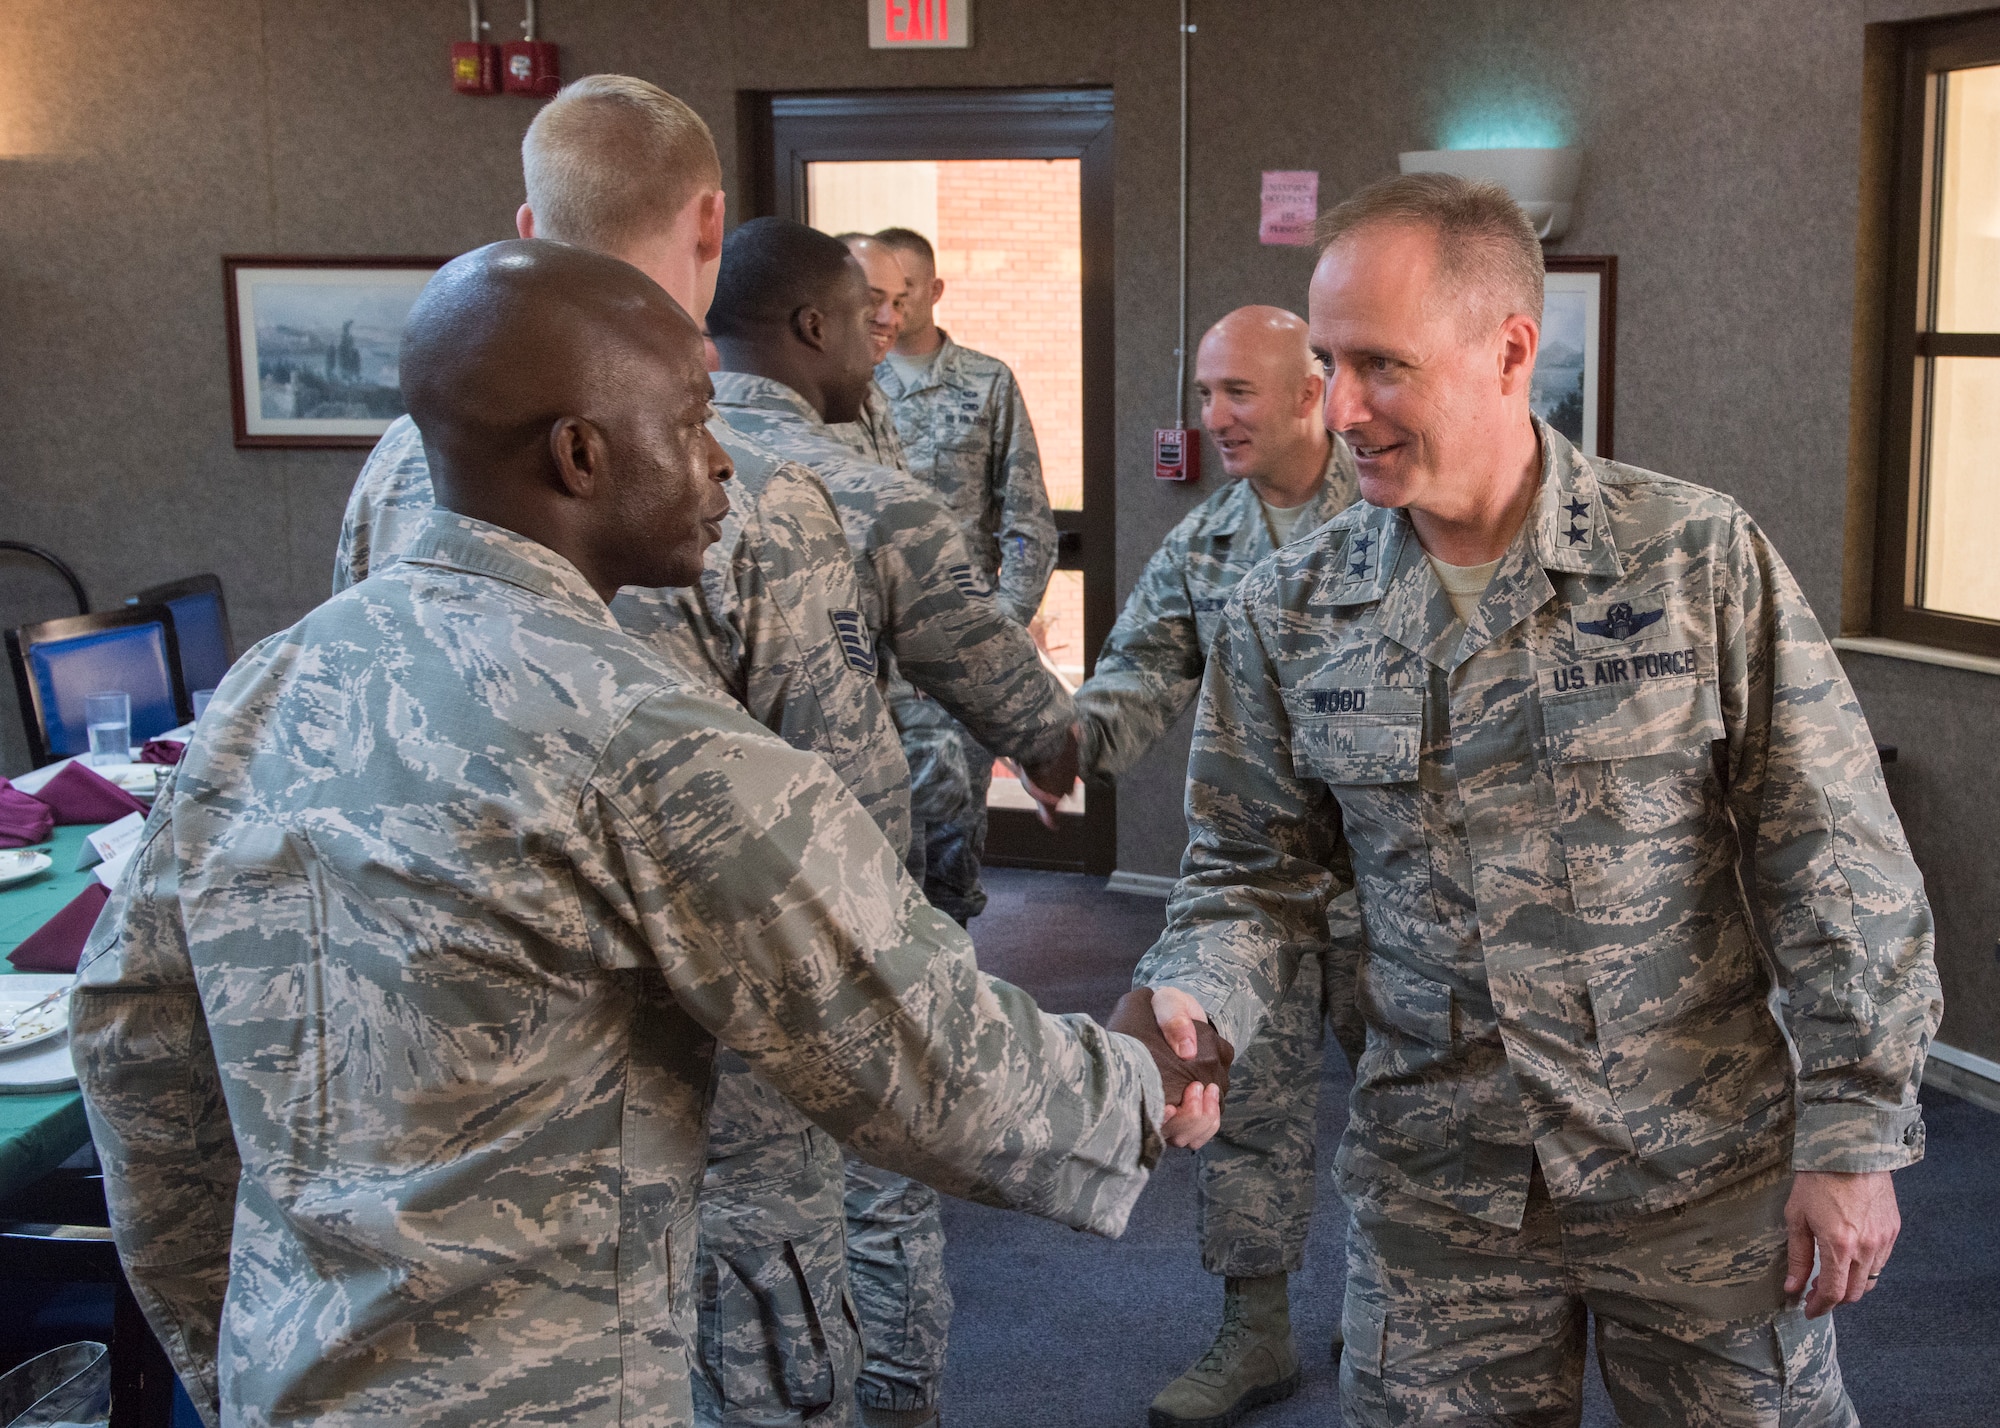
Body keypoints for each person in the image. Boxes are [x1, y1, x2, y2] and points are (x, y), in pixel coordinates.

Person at [72, 239, 1222, 1428]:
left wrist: (228, 1343)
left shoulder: (267, 689)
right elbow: (919, 1051)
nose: (721, 460)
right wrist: (1136, 1081)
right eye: (687, 423)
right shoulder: (644, 742)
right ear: (580, 454)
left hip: (290, 1385)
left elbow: (134, 1049)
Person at [1136, 172, 1941, 1425]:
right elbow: (1249, 873)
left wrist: (1851, 1131)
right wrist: (1196, 992)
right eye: (1328, 363)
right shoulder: (1285, 607)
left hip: (1696, 1181)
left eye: (1379, 366)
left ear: (1508, 350)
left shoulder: (1689, 558)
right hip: (1438, 1199)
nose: (1339, 408)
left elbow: (1831, 858)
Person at [325, 77, 921, 1428]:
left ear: (530, 224)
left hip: (466, 1151)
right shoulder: (765, 495)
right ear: (712, 225)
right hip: (730, 1152)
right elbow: (861, 842)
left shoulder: (395, 471)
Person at [707, 216, 1084, 1428]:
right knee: (874, 1157)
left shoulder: (618, 464)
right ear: (812, 326)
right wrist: (1050, 736)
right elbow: (1015, 694)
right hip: (833, 909)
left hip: (673, 921)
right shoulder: (855, 489)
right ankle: (893, 1393)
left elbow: (1018, 525)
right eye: (858, 314)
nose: (878, 333)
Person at [1025, 305, 1365, 1428]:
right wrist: (1061, 743)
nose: (1212, 417)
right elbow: (1139, 669)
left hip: (1389, 888)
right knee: (1246, 1107)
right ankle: (1255, 1331)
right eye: (1206, 393)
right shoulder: (1210, 540)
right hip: (1255, 886)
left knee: (1415, 1110)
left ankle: (1388, 1311)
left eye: (1237, 394)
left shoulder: (1389, 512)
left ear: (1309, 392)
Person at [872, 225, 1060, 925]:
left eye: (905, 292)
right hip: (874, 652)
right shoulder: (854, 388)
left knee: (952, 829)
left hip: (959, 645)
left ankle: (952, 984)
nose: (890, 312)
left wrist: (1001, 626)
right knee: (880, 831)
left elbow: (1028, 518)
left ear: (934, 291)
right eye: (875, 298)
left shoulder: (987, 382)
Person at [827, 234, 911, 471]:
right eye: (873, 299)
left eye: (898, 304)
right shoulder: (810, 400)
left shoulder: (875, 396)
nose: (891, 319)